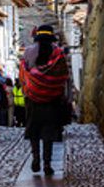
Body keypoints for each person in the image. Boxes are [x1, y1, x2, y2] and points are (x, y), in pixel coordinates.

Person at [20, 25, 70, 176]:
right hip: (52, 99)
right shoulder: (58, 53)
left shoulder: (28, 52)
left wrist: (30, 87)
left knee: (34, 131)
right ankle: (47, 163)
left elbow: (23, 75)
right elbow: (63, 77)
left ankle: (36, 159)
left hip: (33, 98)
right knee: (48, 132)